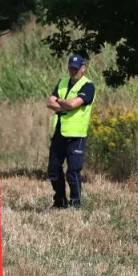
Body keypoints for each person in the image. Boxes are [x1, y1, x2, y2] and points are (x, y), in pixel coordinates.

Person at [46, 53, 96, 209]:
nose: (73, 71)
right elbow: (49, 102)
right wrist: (65, 104)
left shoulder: (88, 86)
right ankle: (59, 202)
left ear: (83, 69)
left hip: (76, 135)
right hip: (59, 132)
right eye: (71, 68)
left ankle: (76, 204)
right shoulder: (62, 82)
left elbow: (74, 104)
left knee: (73, 172)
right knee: (53, 170)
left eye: (76, 68)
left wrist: (59, 101)